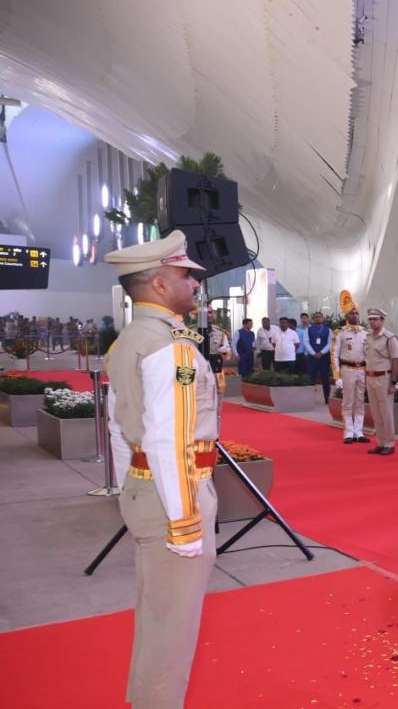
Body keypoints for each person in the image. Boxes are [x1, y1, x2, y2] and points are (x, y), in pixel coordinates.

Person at [102, 232, 218, 709]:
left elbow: (117, 425)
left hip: (147, 490)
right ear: (158, 282)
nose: (194, 283)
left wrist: (131, 485)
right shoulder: (171, 345)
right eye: (185, 275)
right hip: (176, 497)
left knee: (157, 617)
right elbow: (170, 439)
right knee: (172, 630)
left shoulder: (131, 339)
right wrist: (185, 520)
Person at [363, 308, 398, 456]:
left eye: (375, 319)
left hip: (384, 377)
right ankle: (380, 442)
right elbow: (368, 359)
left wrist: (393, 383)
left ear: (382, 320)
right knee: (375, 412)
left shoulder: (389, 338)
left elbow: (396, 361)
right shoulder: (369, 337)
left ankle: (389, 443)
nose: (372, 322)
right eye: (370, 319)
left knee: (386, 412)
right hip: (371, 377)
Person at [332, 307, 370, 444]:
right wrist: (337, 376)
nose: (354, 316)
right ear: (346, 315)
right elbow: (334, 355)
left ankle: (359, 431)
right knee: (348, 402)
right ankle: (348, 432)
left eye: (356, 313)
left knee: (360, 401)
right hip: (347, 369)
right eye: (351, 313)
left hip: (362, 369)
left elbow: (369, 354)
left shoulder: (365, 332)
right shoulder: (340, 333)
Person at [307, 311, 333, 402]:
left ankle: (327, 398)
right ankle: (309, 399)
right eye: (316, 317)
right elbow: (306, 342)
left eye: (319, 317)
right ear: (313, 319)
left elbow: (330, 343)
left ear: (323, 318)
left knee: (325, 378)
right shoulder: (309, 329)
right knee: (310, 378)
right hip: (312, 357)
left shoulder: (328, 330)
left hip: (324, 358)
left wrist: (321, 352)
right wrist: (313, 353)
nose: (318, 318)